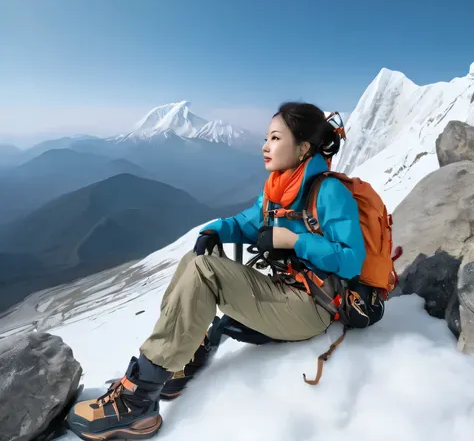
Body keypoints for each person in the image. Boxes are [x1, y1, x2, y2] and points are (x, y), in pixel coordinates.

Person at [67, 102, 366, 440]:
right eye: (267, 138)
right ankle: (173, 365)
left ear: (303, 148)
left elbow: (351, 259)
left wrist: (293, 241)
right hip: (286, 294)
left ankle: (137, 402)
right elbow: (248, 223)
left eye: (275, 138)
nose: (264, 146)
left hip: (314, 308)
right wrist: (216, 230)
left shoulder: (330, 192)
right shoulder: (280, 190)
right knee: (193, 263)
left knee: (206, 273)